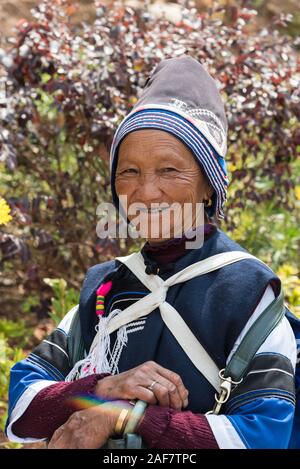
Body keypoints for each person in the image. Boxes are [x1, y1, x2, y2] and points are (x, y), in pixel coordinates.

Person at [5, 55, 297, 449]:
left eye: (169, 170)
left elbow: (263, 437)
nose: (146, 192)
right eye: (129, 172)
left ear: (209, 186)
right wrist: (103, 388)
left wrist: (124, 417)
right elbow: (22, 412)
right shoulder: (107, 286)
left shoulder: (247, 291)